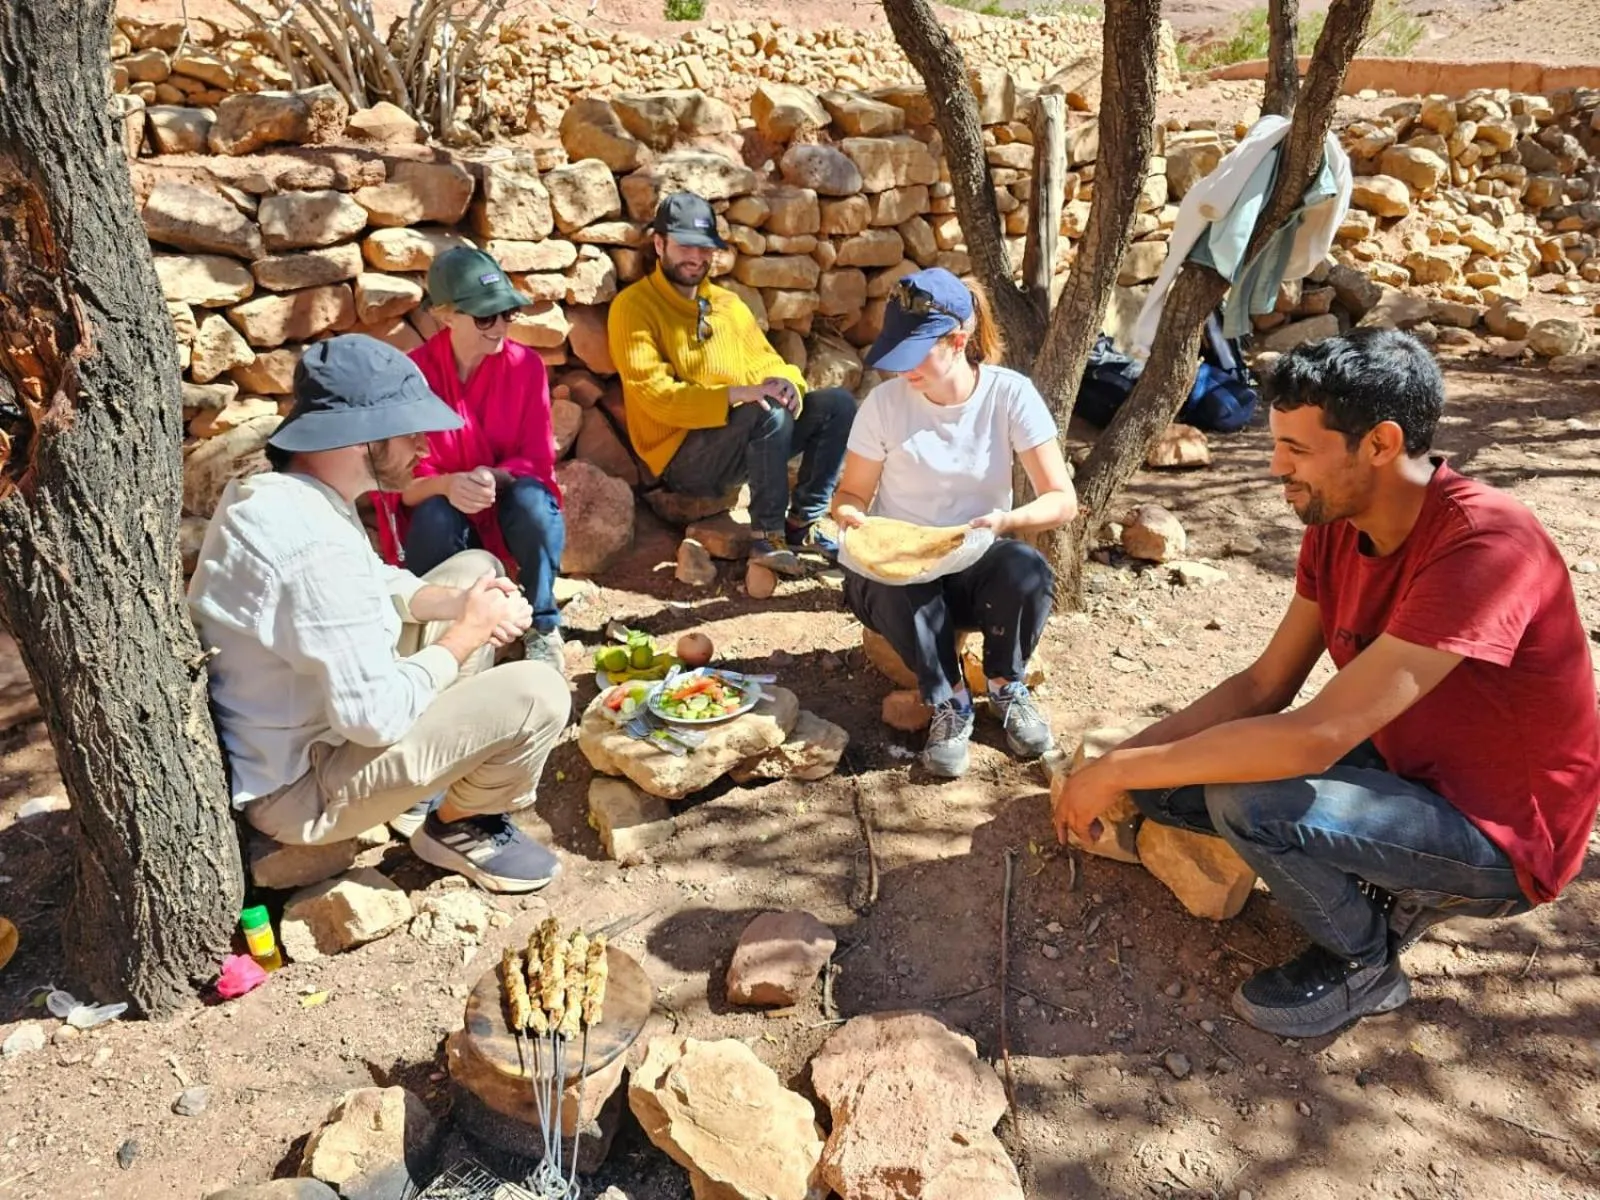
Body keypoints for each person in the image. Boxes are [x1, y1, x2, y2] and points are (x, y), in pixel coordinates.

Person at [1052, 329, 1600, 1038]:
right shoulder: (1339, 519)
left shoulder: (1487, 546)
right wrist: (1118, 768)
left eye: (1297, 450)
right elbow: (1262, 687)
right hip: (1408, 769)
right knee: (1168, 779)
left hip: (1500, 834)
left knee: (1247, 801)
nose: (1275, 467)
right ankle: (1378, 877)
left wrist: (1121, 767)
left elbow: (1316, 738)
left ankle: (1367, 963)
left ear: (1379, 444)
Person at [189, 335, 571, 895]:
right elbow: (373, 717)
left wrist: (461, 603)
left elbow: (374, 580)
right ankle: (460, 825)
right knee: (538, 692)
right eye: (410, 432)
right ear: (359, 440)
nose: (426, 446)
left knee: (474, 569)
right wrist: (467, 634)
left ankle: (417, 791)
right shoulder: (312, 549)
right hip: (303, 786)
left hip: (311, 733)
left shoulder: (286, 493)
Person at [832, 268, 1078, 778]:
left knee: (1025, 569)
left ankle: (1007, 687)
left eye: (914, 355)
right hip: (899, 572)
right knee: (898, 584)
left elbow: (1061, 500)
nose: (903, 372)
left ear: (958, 341)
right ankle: (951, 701)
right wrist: (851, 514)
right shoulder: (883, 405)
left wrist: (1006, 520)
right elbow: (852, 493)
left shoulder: (1010, 395)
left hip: (974, 553)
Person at [607, 190, 857, 576]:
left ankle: (800, 526)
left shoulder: (726, 304)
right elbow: (655, 396)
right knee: (765, 411)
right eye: (685, 246)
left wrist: (789, 381)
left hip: (746, 441)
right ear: (659, 244)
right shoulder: (633, 308)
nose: (696, 258)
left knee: (837, 406)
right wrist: (736, 394)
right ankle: (767, 537)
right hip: (683, 458)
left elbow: (768, 362)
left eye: (705, 249)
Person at [372, 246, 568, 674]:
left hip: (504, 501)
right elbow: (398, 483)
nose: (499, 327)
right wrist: (446, 484)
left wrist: (492, 476)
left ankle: (543, 623)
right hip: (444, 511)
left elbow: (537, 460)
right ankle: (449, 631)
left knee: (535, 503)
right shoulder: (413, 376)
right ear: (445, 316)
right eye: (485, 317)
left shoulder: (526, 367)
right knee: (436, 515)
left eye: (506, 314)